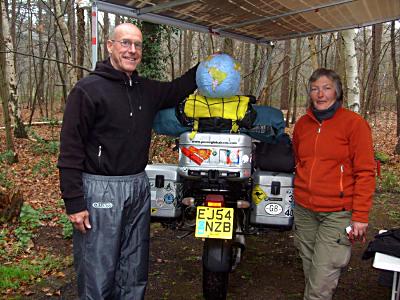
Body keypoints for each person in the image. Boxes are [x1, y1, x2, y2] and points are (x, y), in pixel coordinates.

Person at [57, 23, 198, 299]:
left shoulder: (145, 89)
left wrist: (205, 68)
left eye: (137, 45)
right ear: (110, 45)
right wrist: (74, 201)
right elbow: (70, 150)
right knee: (98, 268)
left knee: (133, 267)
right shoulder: (88, 90)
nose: (132, 50)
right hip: (100, 188)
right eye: (125, 43)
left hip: (137, 185)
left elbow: (177, 88)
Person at [292, 68, 376, 300]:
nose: (320, 94)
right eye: (315, 89)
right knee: (310, 267)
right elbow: (300, 160)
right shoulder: (303, 125)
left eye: (326, 88)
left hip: (337, 213)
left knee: (322, 275)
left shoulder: (354, 124)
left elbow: (366, 172)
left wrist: (360, 215)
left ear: (337, 92)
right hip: (305, 209)